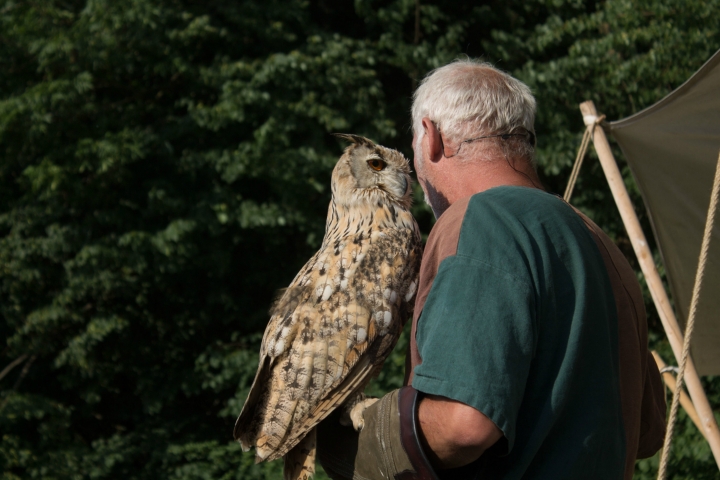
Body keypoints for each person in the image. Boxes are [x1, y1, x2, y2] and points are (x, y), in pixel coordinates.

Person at [317, 59, 666, 480]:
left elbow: (464, 425)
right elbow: (648, 432)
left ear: (430, 138)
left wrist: (363, 438)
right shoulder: (597, 240)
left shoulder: (483, 221)